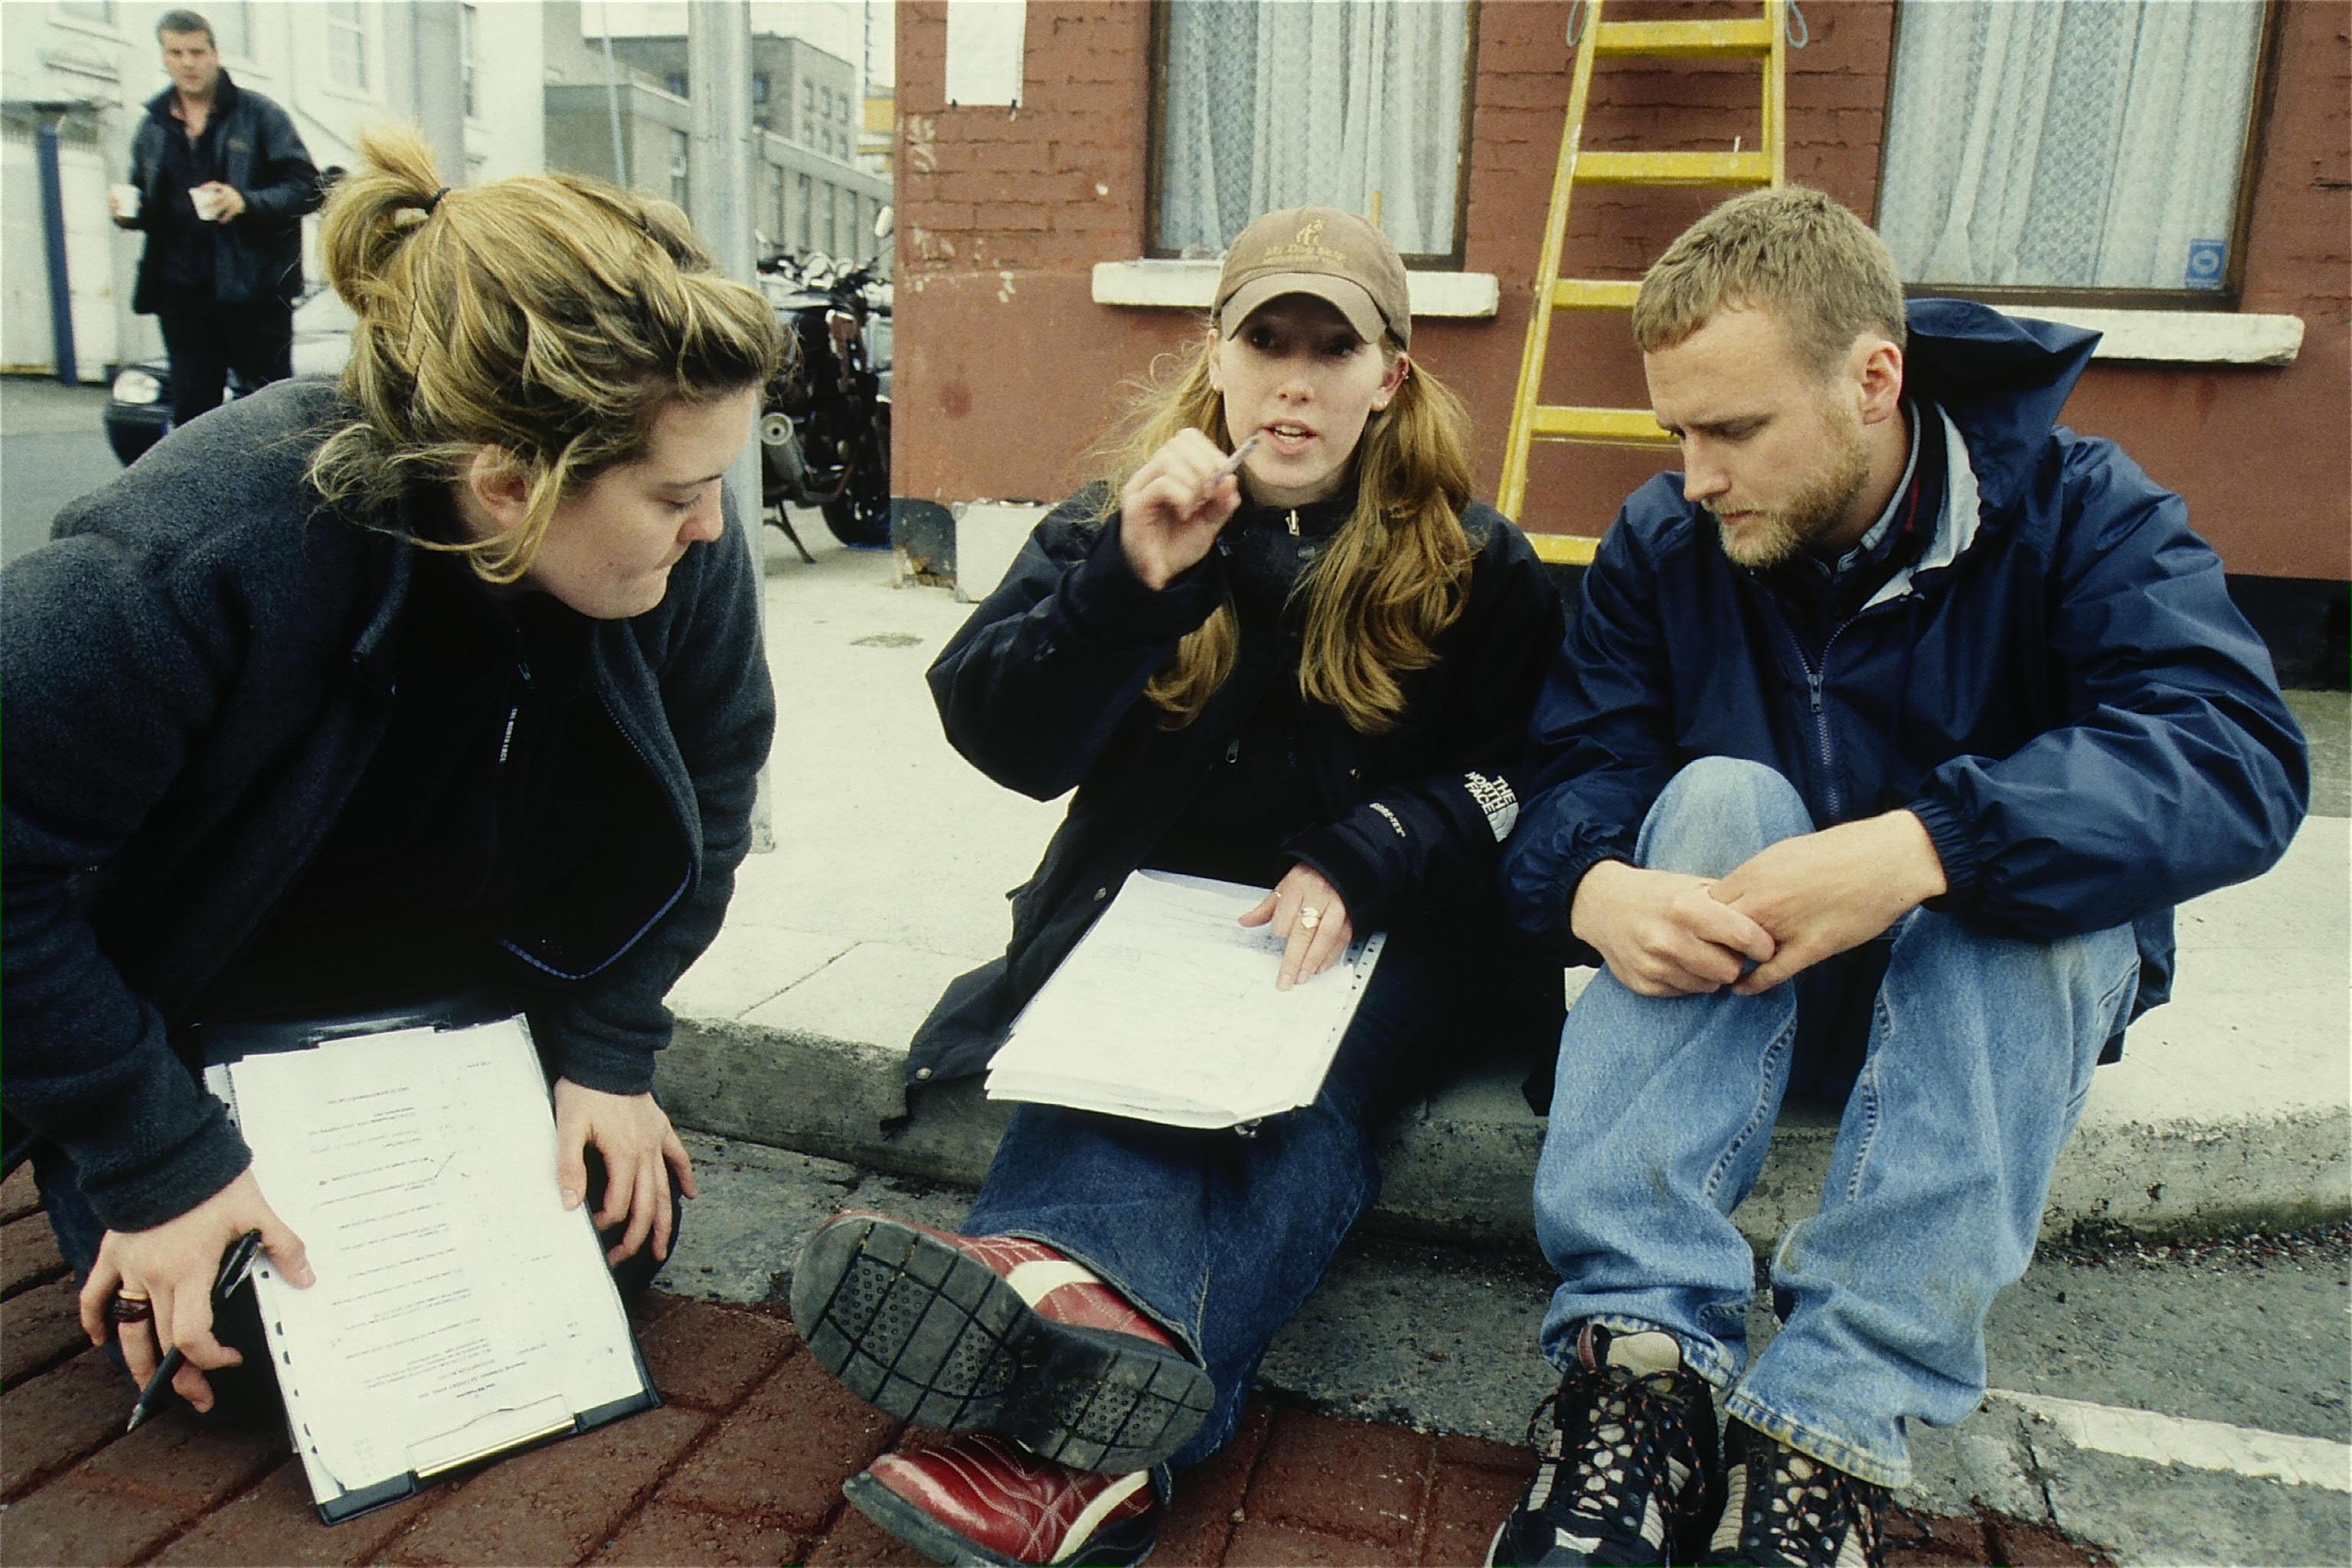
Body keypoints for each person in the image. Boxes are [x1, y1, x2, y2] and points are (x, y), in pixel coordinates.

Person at [1489, 187, 2308, 1568]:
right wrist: (1588, 888)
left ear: (1874, 380)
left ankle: (1827, 1419)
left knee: (2029, 879)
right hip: (1739, 990)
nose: (1694, 475)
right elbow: (1576, 763)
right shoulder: (1665, 538)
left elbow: (2233, 753)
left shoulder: (2077, 511)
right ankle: (1639, 1368)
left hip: (1973, 1011)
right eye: (1676, 431)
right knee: (1711, 797)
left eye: (1733, 429)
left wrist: (1928, 844)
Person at [789, 206, 1566, 1566]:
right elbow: (1001, 736)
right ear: (1217, 355)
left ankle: (1031, 1285)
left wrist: (1375, 844)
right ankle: (1101, 1448)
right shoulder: (1130, 514)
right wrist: (1125, 586)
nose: (1296, 377)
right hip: (1150, 926)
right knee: (1111, 1045)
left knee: (1301, 1092)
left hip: (1384, 941)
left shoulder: (1474, 558)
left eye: (1336, 347)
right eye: (1268, 338)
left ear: (1390, 377)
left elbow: (1527, 778)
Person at [3, 127, 785, 1426]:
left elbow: (707, 800)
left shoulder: (680, 544)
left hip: (464, 1002)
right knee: (256, 1360)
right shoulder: (189, 563)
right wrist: (157, 1161)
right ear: (508, 486)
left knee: (607, 1261)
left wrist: (610, 1046)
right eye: (673, 497)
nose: (710, 527)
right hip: (208, 1006)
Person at [110, 8, 322, 432]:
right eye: (176, 52)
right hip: (181, 290)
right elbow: (150, 203)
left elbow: (307, 188)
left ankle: (277, 494)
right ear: (164, 57)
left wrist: (246, 201)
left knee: (269, 406)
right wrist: (127, 213)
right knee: (193, 408)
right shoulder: (153, 127)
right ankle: (204, 494)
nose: (187, 62)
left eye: (197, 51)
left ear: (215, 54)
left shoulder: (260, 115)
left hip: (254, 290)